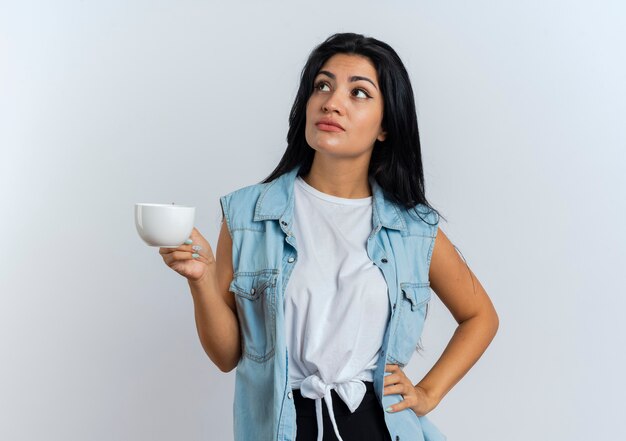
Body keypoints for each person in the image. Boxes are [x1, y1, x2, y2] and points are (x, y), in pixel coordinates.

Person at [159, 32, 499, 441]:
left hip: (377, 426)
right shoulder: (249, 214)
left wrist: (428, 392)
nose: (332, 101)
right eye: (323, 85)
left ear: (386, 127)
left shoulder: (412, 229)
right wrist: (201, 280)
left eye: (359, 93)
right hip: (282, 427)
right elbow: (227, 355)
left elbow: (480, 317)